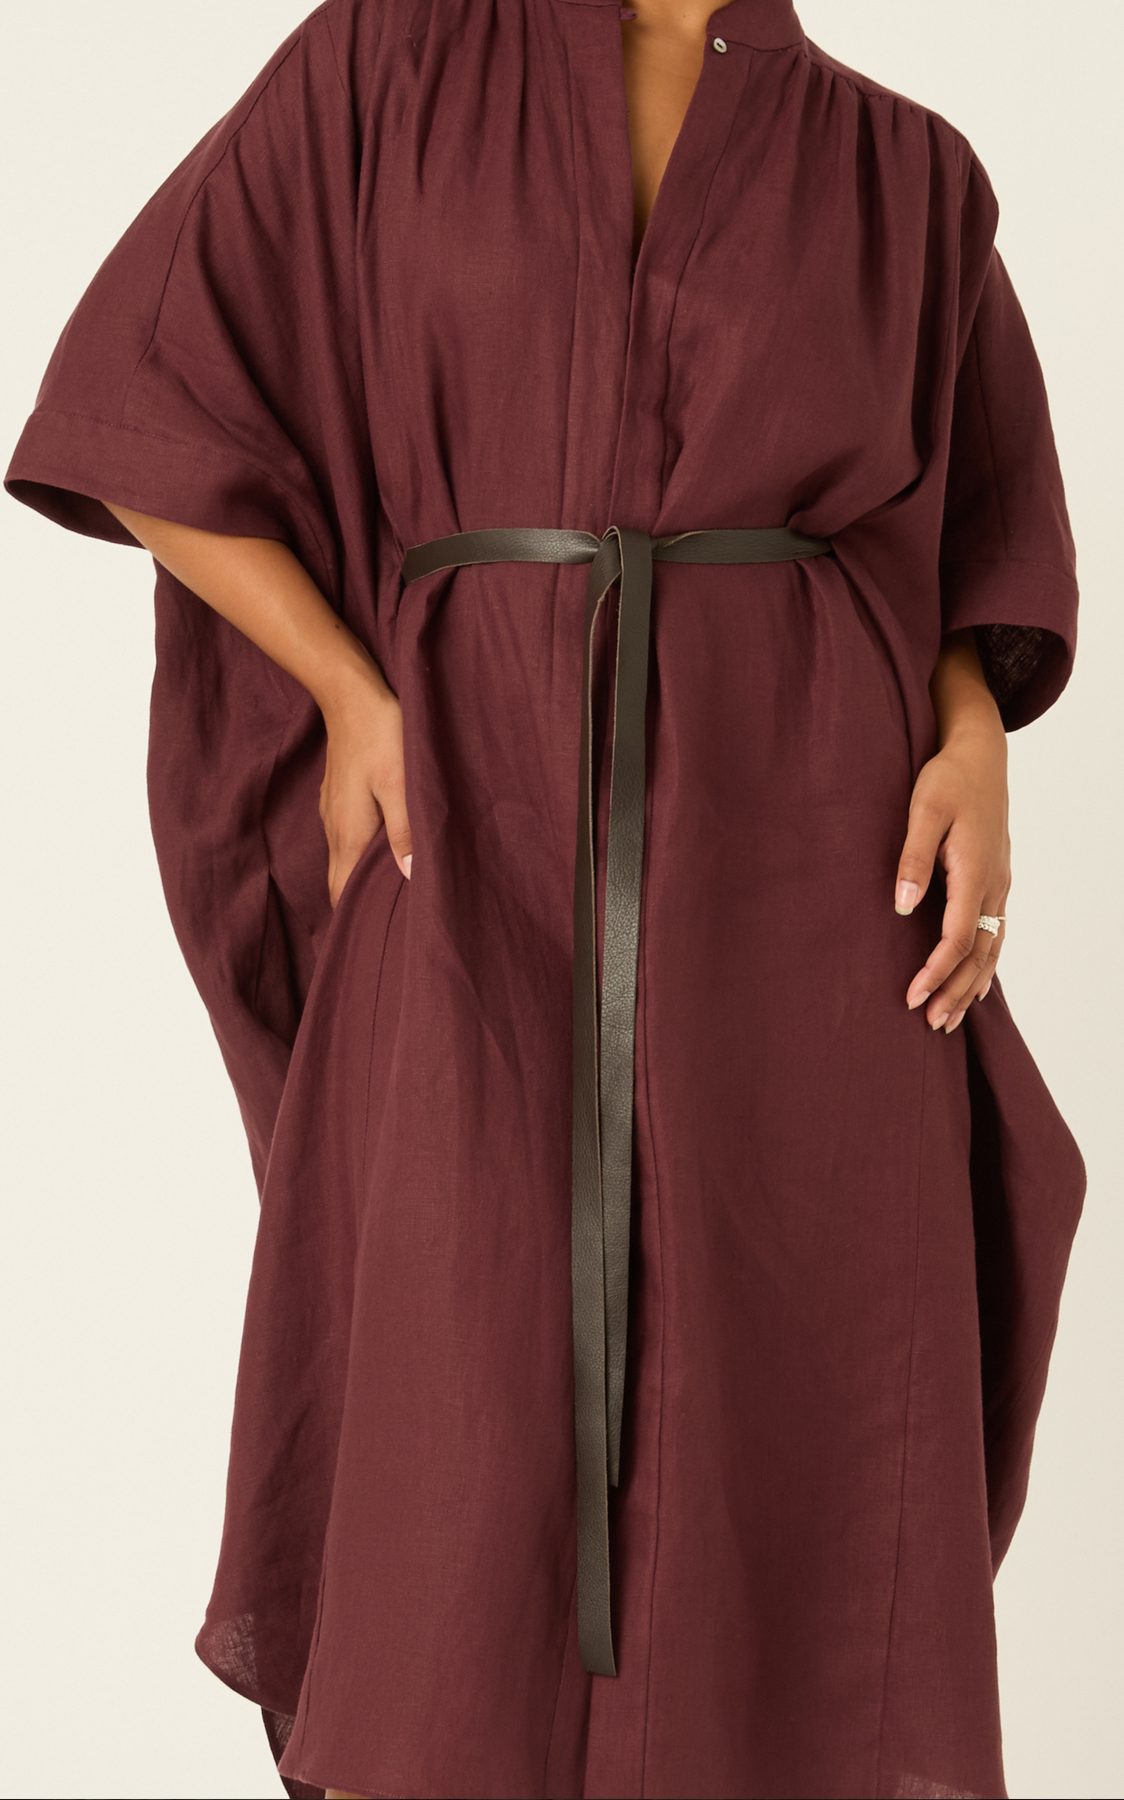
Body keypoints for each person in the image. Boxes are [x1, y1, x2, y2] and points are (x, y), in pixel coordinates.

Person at [5, 2, 1085, 1796]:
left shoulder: (908, 169)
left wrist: (976, 736)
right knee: (456, 1399)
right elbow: (138, 398)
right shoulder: (392, 58)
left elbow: (970, 536)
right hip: (470, 830)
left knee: (784, 1419)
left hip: (811, 877)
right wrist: (349, 693)